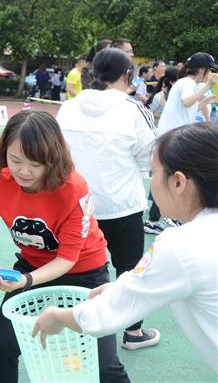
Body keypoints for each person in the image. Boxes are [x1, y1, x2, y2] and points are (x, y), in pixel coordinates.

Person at [0, 110, 129, 383]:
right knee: (2, 348)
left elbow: (67, 258)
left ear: (52, 159)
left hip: (85, 272)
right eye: (16, 160)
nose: (23, 171)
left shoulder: (73, 188)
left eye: (35, 163)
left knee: (105, 366)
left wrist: (25, 280)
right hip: (32, 265)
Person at [33, 122, 218, 374]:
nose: (151, 182)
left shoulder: (181, 245)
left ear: (178, 182)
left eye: (153, 173)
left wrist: (57, 316)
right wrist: (121, 287)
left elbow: (104, 316)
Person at [57, 47, 160, 350]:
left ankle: (70, 326)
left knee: (73, 266)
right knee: (129, 269)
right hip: (120, 206)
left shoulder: (68, 107)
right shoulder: (132, 109)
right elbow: (150, 157)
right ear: (127, 75)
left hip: (76, 206)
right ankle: (133, 332)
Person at [144, 66, 180, 234]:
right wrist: (163, 117)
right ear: (172, 81)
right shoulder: (161, 96)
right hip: (161, 139)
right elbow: (148, 113)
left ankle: (160, 215)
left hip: (171, 140)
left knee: (167, 178)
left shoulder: (177, 96)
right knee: (162, 178)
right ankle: (153, 219)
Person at [157, 52, 218, 135]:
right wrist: (208, 85)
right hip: (172, 135)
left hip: (171, 134)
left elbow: (189, 109)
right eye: (210, 70)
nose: (210, 73)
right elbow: (187, 102)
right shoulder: (188, 82)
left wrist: (207, 101)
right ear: (202, 69)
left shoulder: (184, 82)